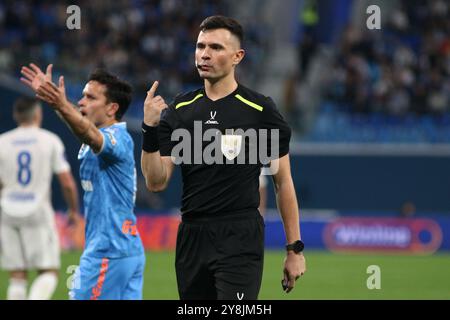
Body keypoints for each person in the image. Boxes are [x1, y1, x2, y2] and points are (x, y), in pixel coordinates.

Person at [141, 15, 306, 300]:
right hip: (192, 235)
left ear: (237, 56)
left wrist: (294, 249)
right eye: (200, 46)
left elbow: (283, 182)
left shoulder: (260, 110)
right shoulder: (179, 110)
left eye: (216, 47)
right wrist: (149, 129)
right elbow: (156, 182)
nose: (205, 54)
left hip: (240, 234)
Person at [20, 64, 145, 300]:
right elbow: (83, 130)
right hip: (125, 249)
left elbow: (89, 134)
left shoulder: (117, 138)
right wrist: (58, 106)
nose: (81, 101)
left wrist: (60, 103)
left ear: (112, 108)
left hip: (108, 252)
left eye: (90, 97)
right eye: (82, 96)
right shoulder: (96, 136)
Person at [0, 97, 80, 300]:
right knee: (48, 271)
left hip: (7, 210)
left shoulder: (3, 142)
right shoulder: (49, 140)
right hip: (37, 211)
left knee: (17, 275)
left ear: (16, 116)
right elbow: (67, 182)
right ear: (38, 114)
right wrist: (73, 210)